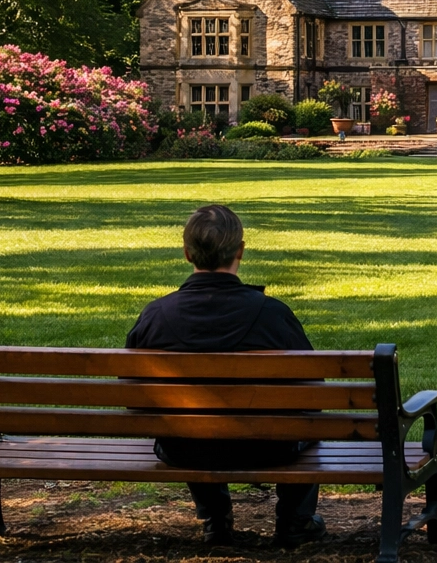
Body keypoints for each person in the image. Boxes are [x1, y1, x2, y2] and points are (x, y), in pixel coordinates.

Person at [126, 204, 326, 548]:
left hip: (184, 448)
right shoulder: (272, 314)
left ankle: (216, 519)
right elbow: (313, 392)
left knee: (191, 420)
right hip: (269, 448)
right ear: (241, 251)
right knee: (302, 422)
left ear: (187, 252)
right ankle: (295, 521)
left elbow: (132, 396)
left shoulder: (157, 314)